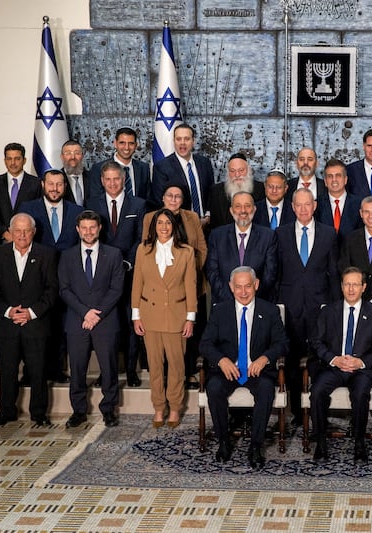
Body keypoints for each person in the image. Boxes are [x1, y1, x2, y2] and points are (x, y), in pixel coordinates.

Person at [200, 266, 288, 469]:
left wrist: (264, 358)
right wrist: (221, 360)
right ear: (231, 287)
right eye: (238, 287)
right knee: (213, 388)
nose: (243, 292)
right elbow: (205, 344)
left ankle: (256, 446)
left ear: (256, 285)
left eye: (247, 286)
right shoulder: (220, 310)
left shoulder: (269, 310)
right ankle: (223, 441)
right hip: (228, 369)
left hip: (256, 370)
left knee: (266, 389)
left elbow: (283, 343)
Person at [309, 267, 372, 464]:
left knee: (360, 393)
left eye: (355, 284)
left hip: (361, 369)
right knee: (317, 391)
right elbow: (316, 341)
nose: (351, 289)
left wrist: (361, 362)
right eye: (347, 284)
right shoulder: (329, 311)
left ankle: (359, 443)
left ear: (363, 287)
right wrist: (334, 359)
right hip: (334, 366)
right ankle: (320, 442)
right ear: (341, 286)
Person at [0, 213, 58, 427]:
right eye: (17, 230)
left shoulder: (47, 254)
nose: (22, 235)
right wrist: (8, 311)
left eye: (26, 230)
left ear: (33, 232)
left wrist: (31, 312)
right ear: (10, 232)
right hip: (8, 325)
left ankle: (39, 414)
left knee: (37, 372)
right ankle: (6, 411)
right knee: (7, 371)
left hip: (36, 325)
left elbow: (52, 290)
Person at [276, 187, 340, 424]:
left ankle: (316, 407)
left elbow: (333, 274)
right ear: (292, 207)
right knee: (291, 359)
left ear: (314, 206)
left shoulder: (329, 234)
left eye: (307, 204)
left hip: (319, 308)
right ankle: (296, 411)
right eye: (298, 205)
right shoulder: (280, 234)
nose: (303, 209)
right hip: (290, 307)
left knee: (318, 358)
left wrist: (333, 308)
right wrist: (277, 306)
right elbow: (276, 272)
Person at [131, 209, 197, 428]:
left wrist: (190, 318)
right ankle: (159, 407)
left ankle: (175, 407)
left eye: (168, 223)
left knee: (177, 366)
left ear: (174, 225)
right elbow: (137, 283)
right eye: (160, 222)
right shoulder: (143, 249)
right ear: (154, 226)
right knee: (155, 365)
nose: (164, 227)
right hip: (149, 316)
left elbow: (191, 286)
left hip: (176, 317)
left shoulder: (186, 252)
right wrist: (136, 315)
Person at [59, 211, 124, 428]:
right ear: (77, 229)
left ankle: (109, 410)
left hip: (105, 321)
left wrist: (97, 314)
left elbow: (116, 289)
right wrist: (85, 312)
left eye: (92, 227)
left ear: (99, 228)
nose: (88, 232)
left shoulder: (114, 254)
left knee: (109, 368)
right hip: (77, 321)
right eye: (84, 228)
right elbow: (64, 290)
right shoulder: (67, 256)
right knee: (77, 369)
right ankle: (78, 411)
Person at [19, 169, 84, 383]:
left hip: (67, 278)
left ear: (65, 187)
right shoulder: (28, 209)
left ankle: (56, 370)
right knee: (36, 327)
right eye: (51, 184)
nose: (55, 188)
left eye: (59, 184)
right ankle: (31, 372)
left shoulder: (77, 210)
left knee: (60, 326)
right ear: (42, 185)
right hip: (36, 277)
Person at [142, 184, 208, 387]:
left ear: (183, 199)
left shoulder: (193, 218)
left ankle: (186, 374)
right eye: (169, 195)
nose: (173, 199)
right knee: (161, 339)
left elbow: (201, 249)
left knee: (188, 334)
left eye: (178, 196)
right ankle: (163, 379)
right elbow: (147, 248)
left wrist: (188, 273)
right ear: (162, 198)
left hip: (189, 285)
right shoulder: (150, 218)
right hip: (159, 289)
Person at [88, 161, 147, 387]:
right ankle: (107, 372)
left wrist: (127, 262)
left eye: (117, 179)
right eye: (108, 179)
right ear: (102, 181)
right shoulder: (91, 204)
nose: (113, 183)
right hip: (102, 276)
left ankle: (131, 371)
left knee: (132, 324)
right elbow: (91, 237)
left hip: (131, 274)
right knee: (106, 327)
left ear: (124, 180)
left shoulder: (139, 204)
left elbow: (140, 239)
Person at [206, 191, 277, 304]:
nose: (243, 211)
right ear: (231, 210)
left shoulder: (268, 236)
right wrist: (232, 300)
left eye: (247, 206)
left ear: (254, 209)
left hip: (258, 303)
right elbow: (212, 272)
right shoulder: (217, 236)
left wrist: (249, 298)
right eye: (238, 206)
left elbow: (270, 275)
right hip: (224, 304)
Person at [150, 123, 214, 222]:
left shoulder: (204, 163)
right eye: (178, 139)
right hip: (179, 226)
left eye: (187, 139)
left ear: (193, 141)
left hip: (207, 224)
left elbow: (211, 193)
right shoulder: (162, 167)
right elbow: (160, 201)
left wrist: (208, 216)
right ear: (174, 141)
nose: (182, 143)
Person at [0, 142, 41, 244]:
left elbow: (39, 213)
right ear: (5, 161)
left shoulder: (36, 183)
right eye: (9, 159)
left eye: (17, 159)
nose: (13, 163)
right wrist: (4, 232)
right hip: (1, 241)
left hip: (28, 241)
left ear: (24, 160)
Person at [90, 126, 151, 201]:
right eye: (122, 143)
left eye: (131, 143)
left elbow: (148, 200)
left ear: (136, 145)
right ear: (115, 143)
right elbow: (96, 200)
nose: (126, 147)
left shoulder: (143, 168)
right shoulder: (99, 168)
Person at [208, 153, 265, 230]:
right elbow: (214, 224)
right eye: (232, 171)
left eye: (241, 170)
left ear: (248, 170)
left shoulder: (261, 189)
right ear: (228, 173)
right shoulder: (216, 191)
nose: (237, 175)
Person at [315, 158, 363, 245]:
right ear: (325, 181)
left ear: (345, 179)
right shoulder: (316, 205)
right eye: (330, 176)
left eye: (338, 175)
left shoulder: (359, 204)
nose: (334, 180)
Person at [59, 140, 93, 207]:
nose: (73, 157)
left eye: (77, 153)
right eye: (68, 153)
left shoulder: (93, 177)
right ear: (62, 157)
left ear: (82, 156)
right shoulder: (57, 180)